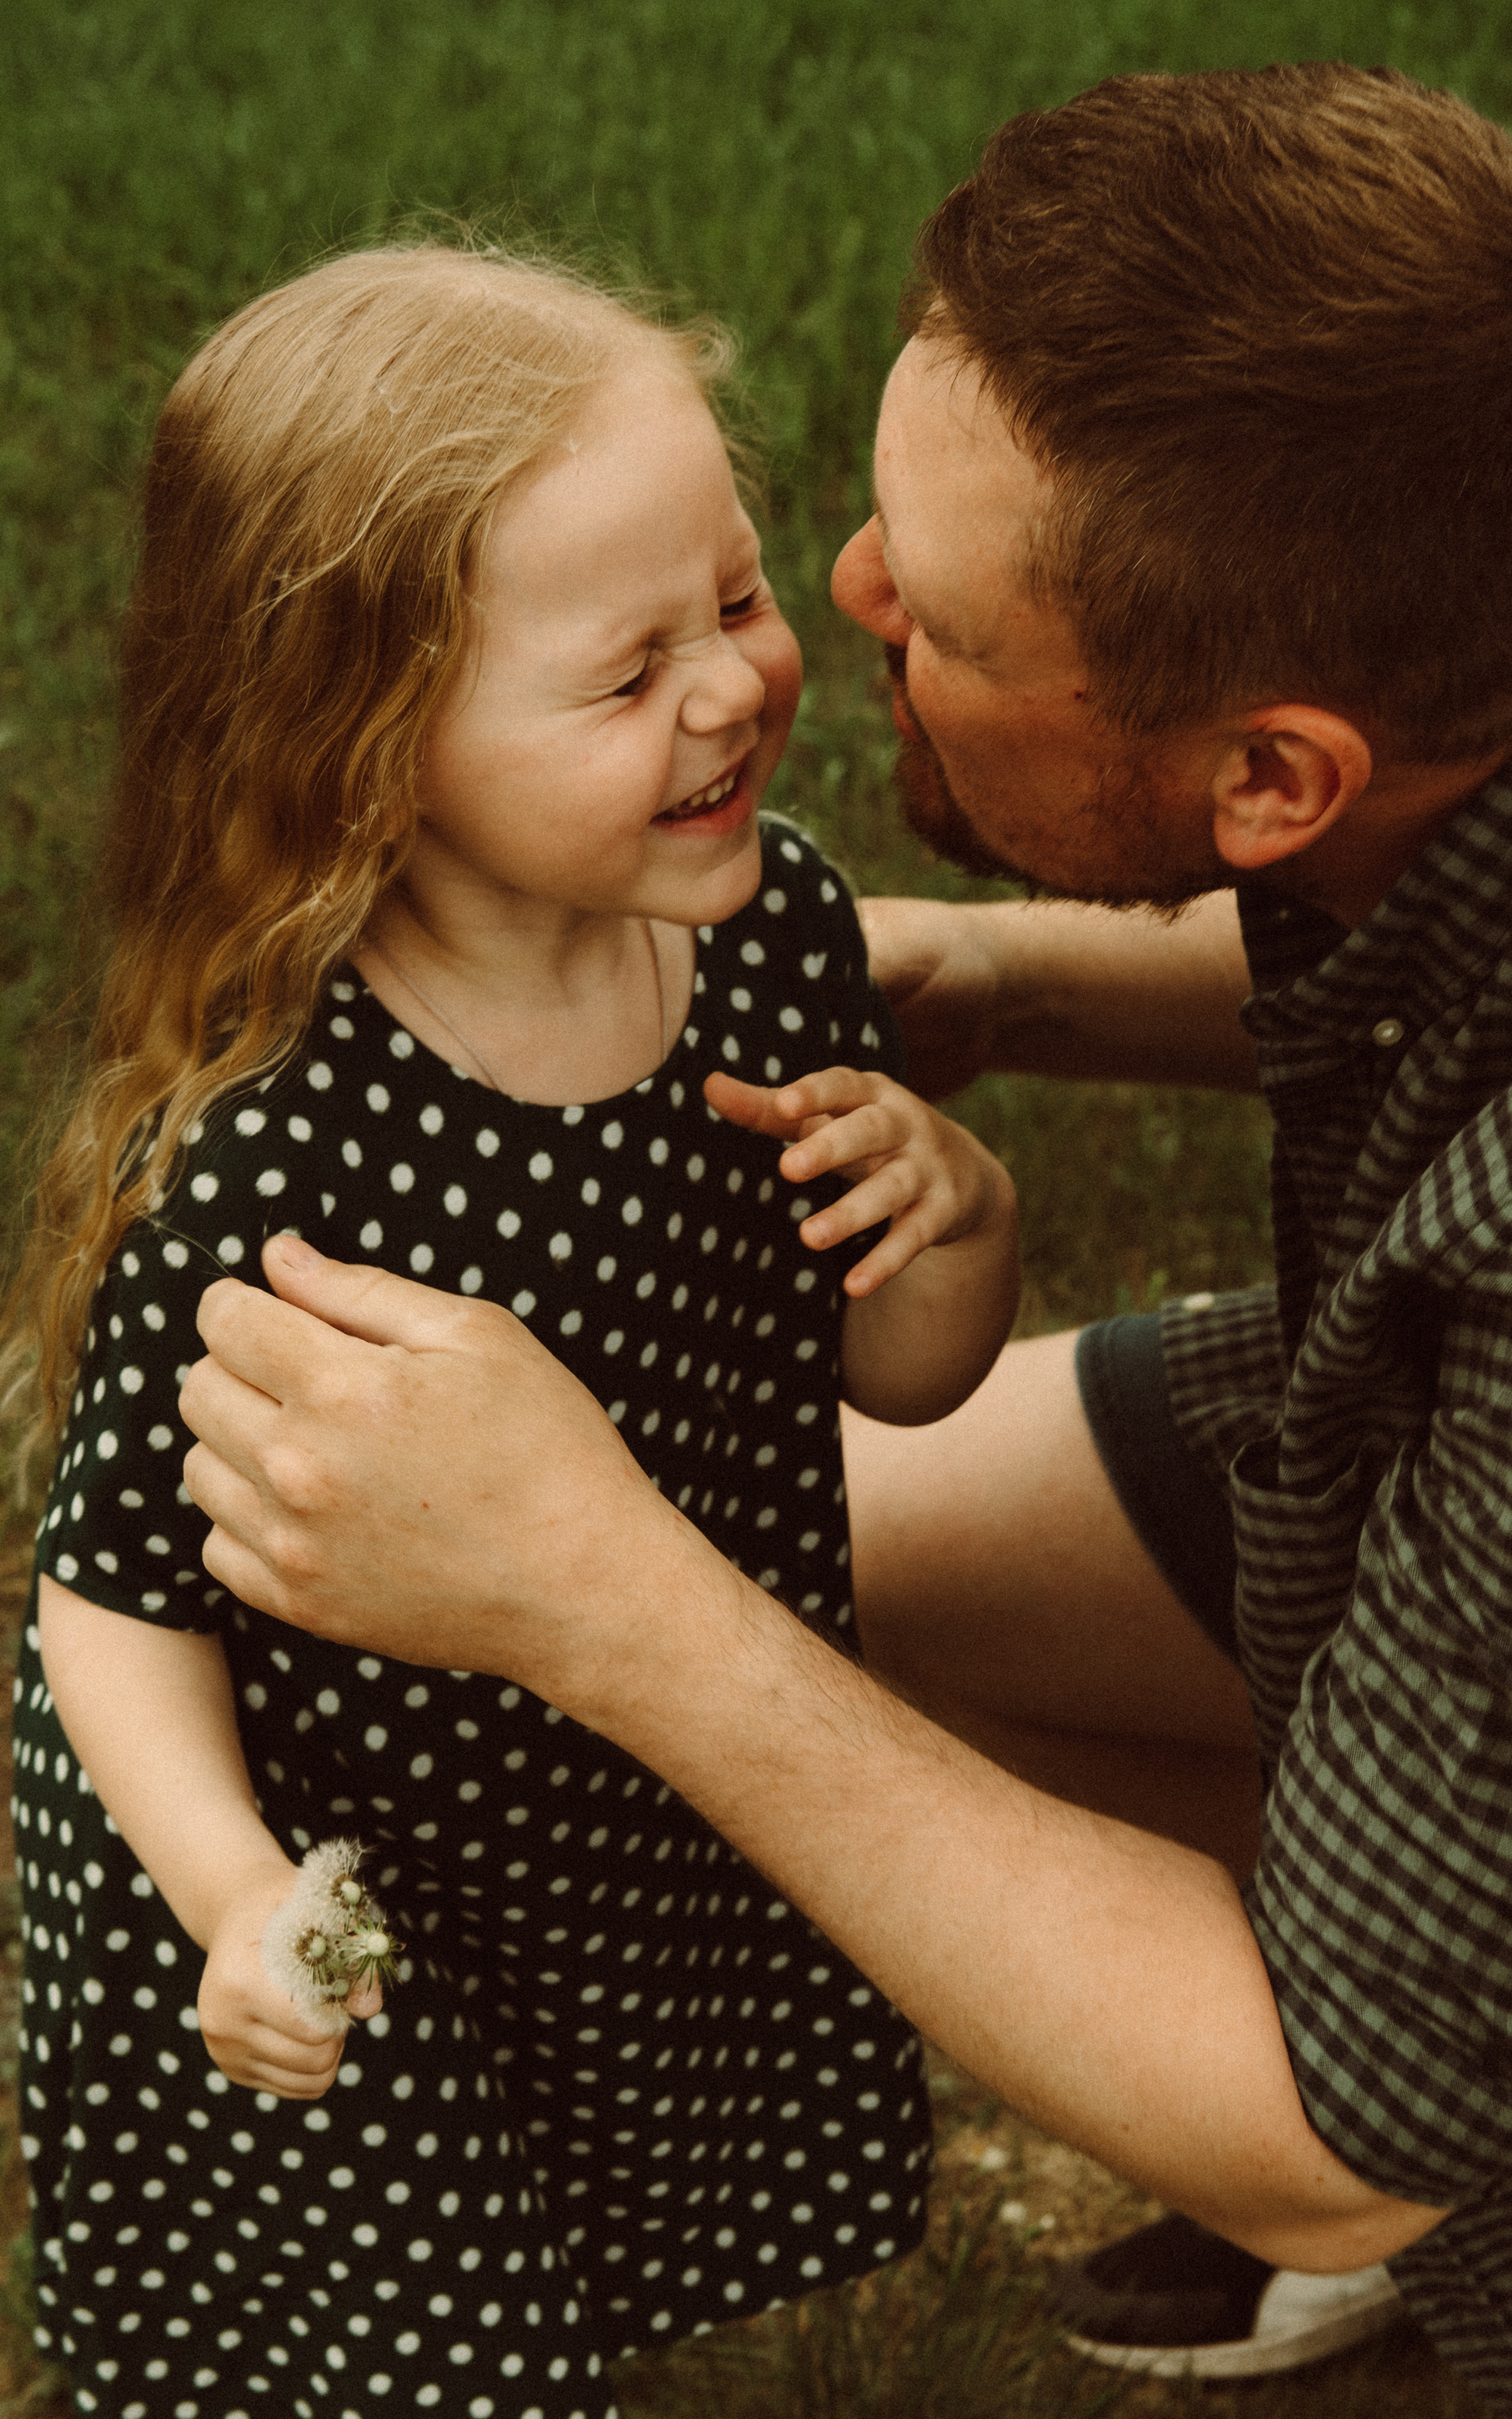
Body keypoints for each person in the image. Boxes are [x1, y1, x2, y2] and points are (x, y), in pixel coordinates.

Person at [137, 62, 1512, 2418]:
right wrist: (1018, 975)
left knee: (772, 1631)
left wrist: (607, 1594)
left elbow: (1330, 2128)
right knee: (856, 1535)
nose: (839, 604)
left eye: (930, 609)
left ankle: (1511, 2203)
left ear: (1270, 780)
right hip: (1430, 1470)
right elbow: (1497, 916)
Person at [3, 242, 1022, 2419]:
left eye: (735, 600)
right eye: (625, 667)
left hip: (608, 1816)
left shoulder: (770, 948)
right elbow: (105, 1604)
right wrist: (234, 1897)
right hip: (348, 1872)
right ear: (370, 747)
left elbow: (900, 1372)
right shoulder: (298, 1144)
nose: (735, 686)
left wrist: (956, 1220)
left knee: (571, 2277)